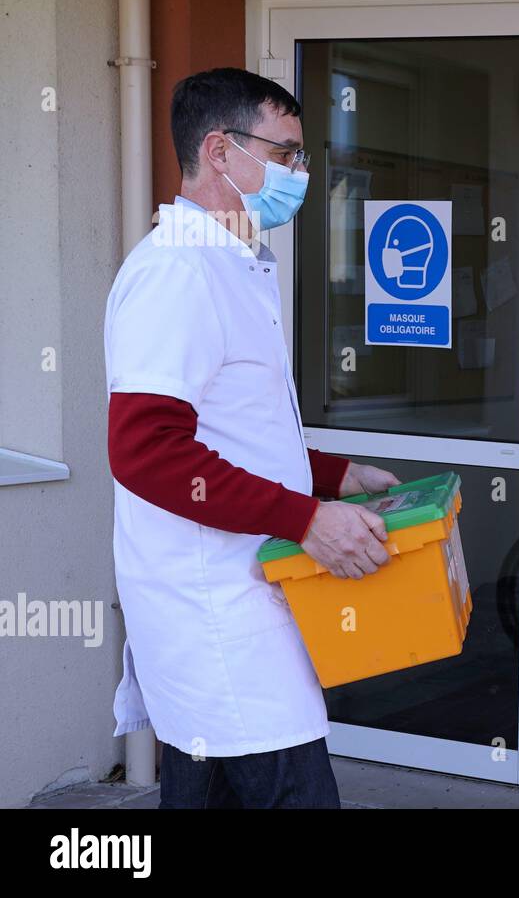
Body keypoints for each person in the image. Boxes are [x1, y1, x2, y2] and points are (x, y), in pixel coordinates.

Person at [103, 67, 399, 808]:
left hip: (241, 613)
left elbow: (233, 430)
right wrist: (306, 518)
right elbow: (147, 451)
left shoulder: (231, 264)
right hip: (217, 622)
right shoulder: (177, 273)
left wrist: (332, 474)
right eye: (288, 153)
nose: (302, 174)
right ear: (221, 152)